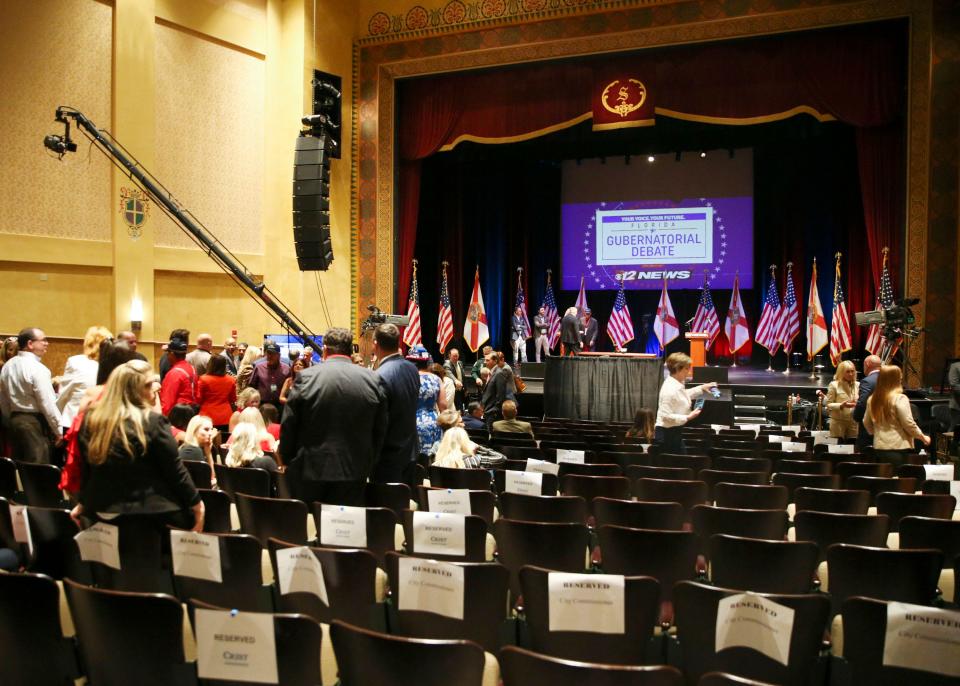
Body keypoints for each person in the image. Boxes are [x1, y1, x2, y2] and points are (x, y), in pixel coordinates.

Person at [70, 360, 204, 532]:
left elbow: (88, 467)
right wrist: (197, 504)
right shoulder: (153, 422)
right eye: (149, 385)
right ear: (135, 390)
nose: (154, 390)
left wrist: (83, 501)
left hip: (100, 508)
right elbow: (175, 471)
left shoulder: (91, 419)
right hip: (145, 513)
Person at [280, 327, 386, 505]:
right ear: (350, 350)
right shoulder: (372, 379)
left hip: (311, 470)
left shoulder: (305, 377)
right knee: (346, 528)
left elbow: (289, 424)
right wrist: (369, 462)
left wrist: (288, 460)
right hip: (355, 470)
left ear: (325, 350)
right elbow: (380, 428)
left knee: (313, 525)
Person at [0, 328, 62, 463]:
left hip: (14, 421)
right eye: (43, 340)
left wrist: (9, 420)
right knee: (37, 467)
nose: (47, 343)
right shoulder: (38, 368)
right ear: (30, 344)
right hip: (33, 423)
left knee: (19, 467)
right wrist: (58, 430)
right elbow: (47, 403)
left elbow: (3, 400)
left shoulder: (8, 366)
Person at [372, 323, 419, 485]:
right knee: (404, 504)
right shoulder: (412, 369)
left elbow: (379, 421)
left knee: (386, 507)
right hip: (411, 450)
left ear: (375, 344)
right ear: (398, 343)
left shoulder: (379, 376)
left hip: (388, 456)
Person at [863, 365, 930, 468]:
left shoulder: (872, 399)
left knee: (883, 480)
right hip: (897, 447)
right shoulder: (900, 398)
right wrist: (922, 437)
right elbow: (908, 423)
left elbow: (866, 422)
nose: (901, 379)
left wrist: (876, 433)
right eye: (900, 377)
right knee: (896, 481)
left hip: (878, 446)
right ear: (895, 380)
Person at [655, 352, 716, 454]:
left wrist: (701, 388)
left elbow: (681, 396)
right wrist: (688, 417)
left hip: (673, 431)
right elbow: (665, 416)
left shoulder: (676, 382)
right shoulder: (669, 389)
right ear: (678, 369)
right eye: (686, 369)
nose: (689, 372)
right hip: (667, 434)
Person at [57, 325, 112, 435]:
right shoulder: (112, 363)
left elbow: (64, 394)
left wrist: (56, 422)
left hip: (74, 419)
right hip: (103, 421)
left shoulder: (75, 362)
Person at [409, 346, 446, 456]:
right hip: (432, 423)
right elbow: (443, 407)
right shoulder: (437, 379)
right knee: (431, 459)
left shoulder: (408, 378)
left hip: (410, 422)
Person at [159, 335, 197, 416]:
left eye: (167, 352)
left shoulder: (174, 373)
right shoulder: (191, 368)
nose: (166, 355)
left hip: (177, 417)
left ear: (172, 353)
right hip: (190, 413)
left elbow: (167, 403)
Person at [852, 354, 883, 451]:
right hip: (887, 429)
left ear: (867, 364)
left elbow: (862, 404)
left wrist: (856, 416)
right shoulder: (889, 379)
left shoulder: (867, 381)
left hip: (868, 430)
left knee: (866, 460)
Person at [178, 414, 217, 486]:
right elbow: (207, 483)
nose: (210, 433)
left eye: (211, 429)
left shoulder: (186, 447)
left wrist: (208, 452)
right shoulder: (194, 451)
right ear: (194, 431)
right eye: (206, 429)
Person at [248, 342, 290, 407]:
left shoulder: (286, 369)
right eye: (268, 353)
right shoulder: (259, 367)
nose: (269, 356)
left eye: (272, 354)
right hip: (262, 405)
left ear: (279, 355)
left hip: (280, 405)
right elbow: (252, 386)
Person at [824, 360, 859, 439]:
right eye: (847, 372)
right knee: (837, 449)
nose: (851, 374)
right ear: (841, 372)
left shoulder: (858, 385)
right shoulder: (834, 385)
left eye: (852, 371)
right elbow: (828, 404)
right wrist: (841, 405)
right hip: (838, 423)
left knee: (852, 447)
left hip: (853, 422)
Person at [481, 352, 508, 431]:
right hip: (487, 411)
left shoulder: (499, 373)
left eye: (487, 360)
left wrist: (493, 410)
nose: (485, 362)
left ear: (495, 361)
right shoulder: (492, 372)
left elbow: (501, 396)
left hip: (493, 413)